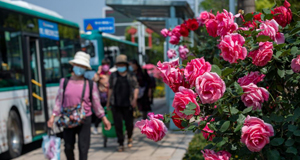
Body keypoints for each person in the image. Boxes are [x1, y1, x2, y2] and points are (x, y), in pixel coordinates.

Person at [47, 51, 111, 160]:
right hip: (68, 118)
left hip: (85, 119)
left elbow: (96, 103)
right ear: (73, 66)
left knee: (83, 148)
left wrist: (104, 118)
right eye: (78, 65)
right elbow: (59, 100)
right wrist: (53, 116)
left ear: (85, 68)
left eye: (82, 66)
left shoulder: (90, 84)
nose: (80, 68)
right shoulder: (64, 82)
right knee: (68, 147)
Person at [106, 54, 139, 152]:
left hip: (128, 104)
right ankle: (120, 143)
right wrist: (108, 102)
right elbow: (110, 89)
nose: (121, 66)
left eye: (122, 64)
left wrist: (135, 99)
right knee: (118, 124)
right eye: (119, 64)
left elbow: (136, 87)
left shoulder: (130, 75)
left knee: (129, 124)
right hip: (116, 104)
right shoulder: (113, 75)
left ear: (126, 65)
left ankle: (129, 137)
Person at [91, 58, 111, 134]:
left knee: (109, 113)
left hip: (109, 97)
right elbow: (94, 80)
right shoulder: (100, 74)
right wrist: (98, 72)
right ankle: (96, 127)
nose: (105, 66)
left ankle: (108, 127)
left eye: (107, 65)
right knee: (100, 114)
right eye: (104, 65)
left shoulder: (110, 74)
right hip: (101, 98)